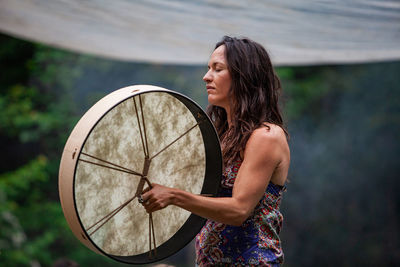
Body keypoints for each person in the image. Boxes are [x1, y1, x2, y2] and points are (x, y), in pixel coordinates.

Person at [141, 36, 290, 266]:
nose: (206, 76)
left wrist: (173, 195)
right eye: (208, 68)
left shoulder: (266, 136)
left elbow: (239, 210)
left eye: (217, 69)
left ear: (244, 76)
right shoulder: (222, 136)